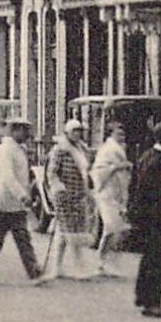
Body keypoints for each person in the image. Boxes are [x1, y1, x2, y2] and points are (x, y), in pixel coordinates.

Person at [0, 119, 42, 285]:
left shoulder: (19, 149)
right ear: (15, 130)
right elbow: (7, 176)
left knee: (23, 238)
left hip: (16, 204)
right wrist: (22, 195)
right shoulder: (5, 149)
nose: (27, 135)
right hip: (4, 202)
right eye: (24, 131)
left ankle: (33, 271)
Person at [131, 120, 161, 318]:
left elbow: (136, 186)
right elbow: (157, 192)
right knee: (157, 259)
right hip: (154, 216)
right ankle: (153, 302)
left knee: (148, 256)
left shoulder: (146, 156)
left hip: (145, 215)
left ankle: (142, 295)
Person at [40, 118, 97, 281]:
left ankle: (56, 267)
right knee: (72, 232)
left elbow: (87, 170)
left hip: (79, 195)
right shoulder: (60, 150)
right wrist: (58, 188)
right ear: (67, 133)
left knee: (64, 232)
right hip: (64, 196)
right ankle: (79, 267)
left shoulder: (82, 149)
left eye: (80, 131)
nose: (78, 134)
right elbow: (52, 172)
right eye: (75, 131)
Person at [90, 121, 133, 278]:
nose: (122, 136)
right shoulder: (107, 150)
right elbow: (98, 170)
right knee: (112, 227)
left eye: (123, 133)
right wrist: (117, 167)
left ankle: (109, 262)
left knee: (117, 229)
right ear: (111, 134)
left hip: (118, 193)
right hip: (107, 193)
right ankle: (102, 261)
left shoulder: (120, 149)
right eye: (118, 133)